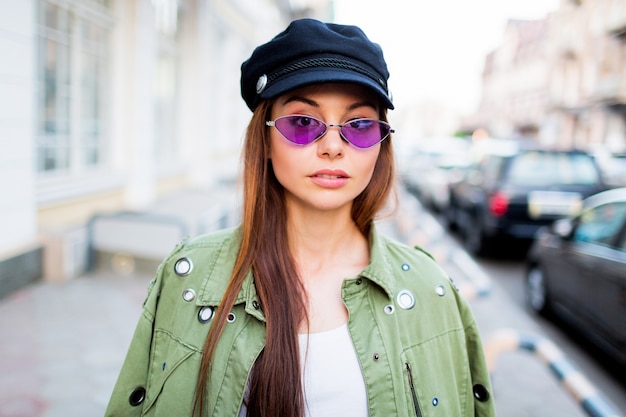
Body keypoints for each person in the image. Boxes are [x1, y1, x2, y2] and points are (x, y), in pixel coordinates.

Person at [105, 18, 496, 417]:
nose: (332, 147)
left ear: (381, 143)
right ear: (267, 141)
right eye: (303, 123)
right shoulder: (189, 276)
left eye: (359, 126)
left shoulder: (431, 291)